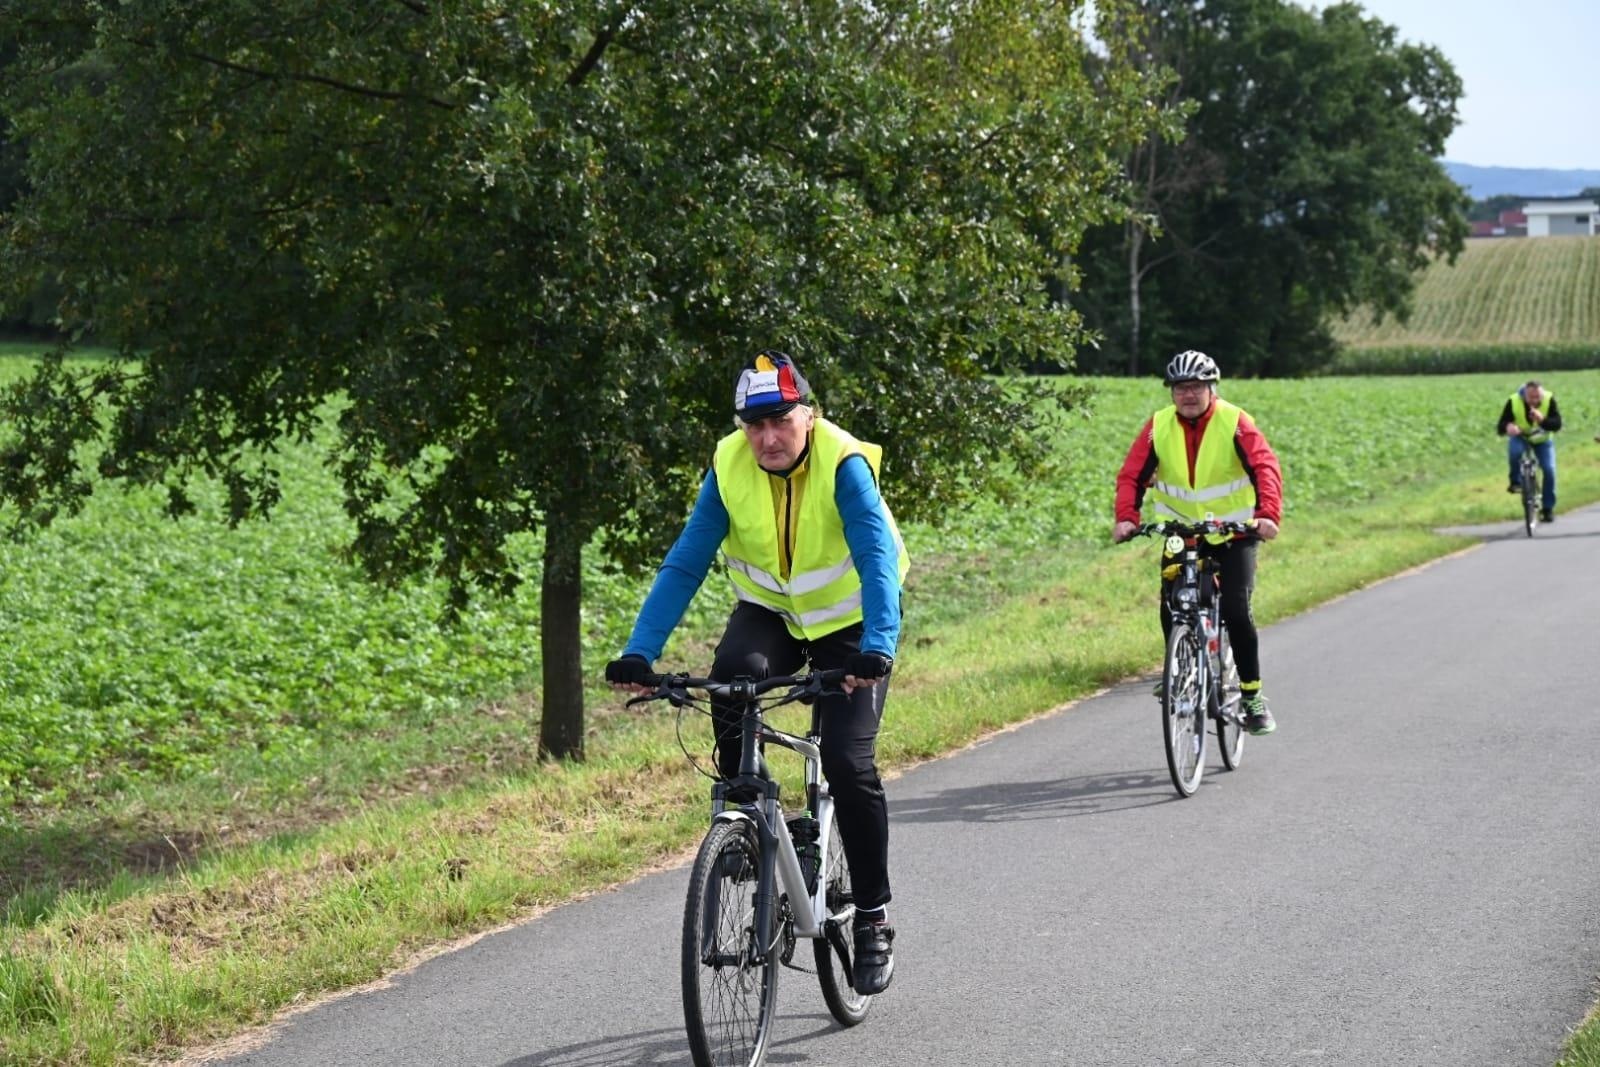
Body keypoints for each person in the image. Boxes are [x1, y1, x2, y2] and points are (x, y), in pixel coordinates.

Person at [605, 350, 909, 995]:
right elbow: (687, 559)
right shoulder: (728, 464)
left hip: (853, 623)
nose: (768, 438)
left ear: (808, 415)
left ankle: (874, 916)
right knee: (729, 680)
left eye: (782, 421)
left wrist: (877, 647)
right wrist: (641, 651)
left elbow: (877, 556)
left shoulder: (844, 463)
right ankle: (756, 820)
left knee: (848, 762)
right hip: (771, 612)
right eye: (754, 424)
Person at [1111, 350, 1284, 735]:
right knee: (1171, 600)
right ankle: (1179, 667)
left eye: (1196, 387)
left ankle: (1253, 698)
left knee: (1237, 611)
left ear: (1211, 388)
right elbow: (1131, 476)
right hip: (1181, 533)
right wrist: (1127, 517)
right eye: (1180, 388)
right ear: (1171, 392)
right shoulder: (1158, 427)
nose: (1188, 394)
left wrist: (1267, 515)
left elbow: (1264, 467)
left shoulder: (1234, 422)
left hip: (1234, 532)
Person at [1497, 379, 1561, 523]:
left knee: (1549, 470)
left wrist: (1543, 420)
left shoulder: (1549, 400)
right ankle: (1516, 482)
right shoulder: (1513, 401)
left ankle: (1548, 508)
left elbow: (1557, 425)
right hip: (1521, 438)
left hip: (1542, 441)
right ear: (1524, 395)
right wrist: (1508, 427)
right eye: (1531, 397)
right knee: (1514, 452)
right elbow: (1501, 425)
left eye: (1538, 397)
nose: (1534, 400)